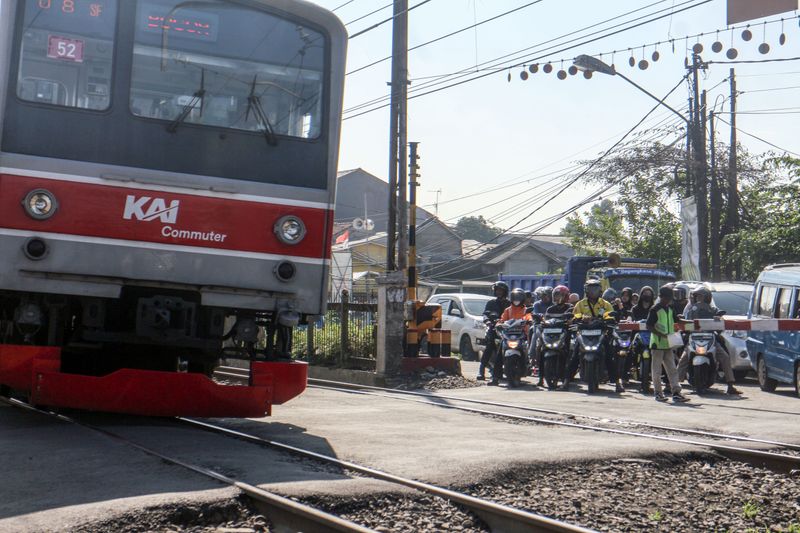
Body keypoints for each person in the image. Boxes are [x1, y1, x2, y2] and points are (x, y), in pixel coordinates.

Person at [678, 287, 742, 395]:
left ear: (707, 297)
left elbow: (721, 324)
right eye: (697, 296)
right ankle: (674, 385)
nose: (698, 298)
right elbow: (684, 321)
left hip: (710, 338)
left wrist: (718, 319)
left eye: (701, 296)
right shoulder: (690, 309)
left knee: (725, 357)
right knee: (682, 360)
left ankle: (730, 385)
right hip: (694, 338)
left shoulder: (713, 309)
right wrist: (682, 320)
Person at [561, 279, 615, 390]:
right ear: (586, 290)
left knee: (609, 355)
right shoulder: (580, 304)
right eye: (590, 289)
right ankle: (566, 381)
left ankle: (617, 382)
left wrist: (606, 319)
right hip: (583, 334)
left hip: (600, 334)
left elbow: (610, 316)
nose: (593, 291)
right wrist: (581, 318)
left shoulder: (605, 304)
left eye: (596, 288)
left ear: (600, 290)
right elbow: (574, 316)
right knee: (574, 356)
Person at [646, 286, 690, 402]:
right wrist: (661, 335)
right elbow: (649, 326)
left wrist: (691, 322)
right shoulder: (655, 309)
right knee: (656, 370)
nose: (670, 300)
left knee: (672, 369)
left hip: (668, 344)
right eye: (668, 298)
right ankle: (658, 393)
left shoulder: (670, 308)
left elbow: (678, 321)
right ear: (662, 297)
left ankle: (676, 392)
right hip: (658, 344)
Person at [491, 288, 532, 386]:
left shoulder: (526, 310)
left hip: (522, 335)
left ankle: (530, 363)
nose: (516, 300)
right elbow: (502, 320)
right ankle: (495, 377)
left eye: (519, 298)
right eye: (515, 298)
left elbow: (529, 317)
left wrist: (529, 321)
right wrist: (498, 324)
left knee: (528, 350)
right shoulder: (508, 310)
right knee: (499, 355)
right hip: (508, 335)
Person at [478, 281, 510, 381]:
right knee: (490, 345)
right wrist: (487, 321)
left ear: (505, 291)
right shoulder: (491, 303)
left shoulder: (510, 304)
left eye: (501, 290)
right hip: (494, 328)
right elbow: (485, 314)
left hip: (507, 329)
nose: (499, 292)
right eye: (497, 290)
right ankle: (481, 370)